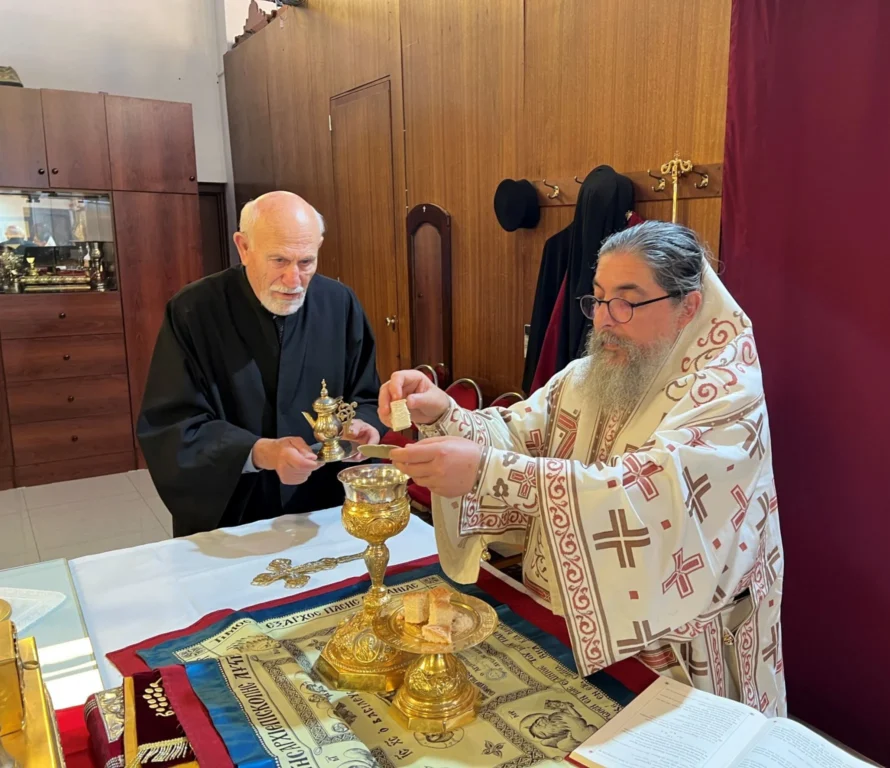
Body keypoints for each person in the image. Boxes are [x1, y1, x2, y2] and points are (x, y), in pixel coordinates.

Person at [383, 221, 786, 715]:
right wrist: (443, 413)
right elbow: (514, 437)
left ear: (689, 307)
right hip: (573, 625)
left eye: (627, 301)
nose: (605, 320)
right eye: (597, 299)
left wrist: (491, 473)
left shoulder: (724, 394)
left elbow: (648, 494)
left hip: (680, 652)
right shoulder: (585, 376)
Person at [138, 191, 385, 537]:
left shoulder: (339, 304)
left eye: (306, 262)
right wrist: (259, 452)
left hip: (325, 509)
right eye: (279, 260)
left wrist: (365, 427)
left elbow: (368, 395)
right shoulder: (194, 311)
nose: (294, 280)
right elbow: (173, 426)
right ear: (243, 247)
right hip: (237, 514)